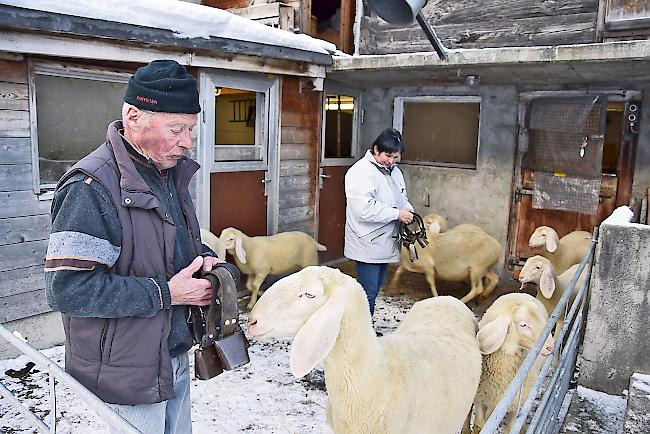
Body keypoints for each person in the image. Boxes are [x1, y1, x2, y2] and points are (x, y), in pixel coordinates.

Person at [44, 60, 221, 434]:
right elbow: (68, 289)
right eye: (176, 129)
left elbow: (163, 245)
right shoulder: (90, 187)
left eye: (190, 129)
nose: (186, 142)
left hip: (170, 352)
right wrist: (167, 293)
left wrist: (199, 257)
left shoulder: (167, 173)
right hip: (124, 370)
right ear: (133, 115)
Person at [344, 128, 414, 316]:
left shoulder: (394, 171)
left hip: (386, 239)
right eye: (387, 155)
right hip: (368, 240)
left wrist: (407, 210)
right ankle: (360, 331)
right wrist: (396, 214)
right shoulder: (361, 172)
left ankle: (364, 328)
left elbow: (400, 198)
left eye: (396, 157)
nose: (391, 161)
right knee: (367, 292)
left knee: (374, 289)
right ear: (376, 150)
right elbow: (364, 209)